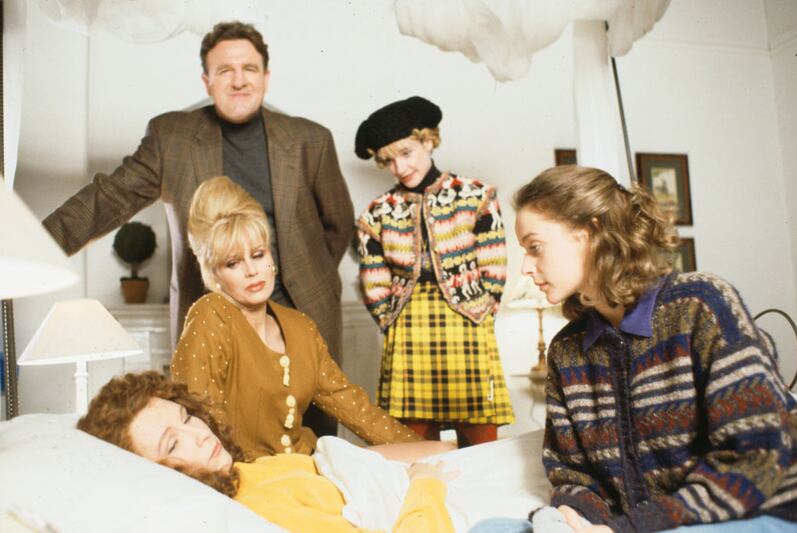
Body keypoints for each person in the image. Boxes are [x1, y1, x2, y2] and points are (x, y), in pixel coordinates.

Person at [472, 165, 797, 532]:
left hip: (756, 511)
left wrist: (625, 528)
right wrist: (573, 517)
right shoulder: (566, 351)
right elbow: (573, 475)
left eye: (535, 247)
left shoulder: (701, 305)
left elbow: (755, 455)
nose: (527, 269)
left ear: (591, 231)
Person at [41, 20, 352, 365]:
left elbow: (337, 225)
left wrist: (304, 273)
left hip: (302, 316)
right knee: (211, 419)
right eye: (224, 71)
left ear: (266, 77)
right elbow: (109, 197)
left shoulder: (311, 140)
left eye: (249, 68)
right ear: (207, 81)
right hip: (213, 321)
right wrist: (36, 246)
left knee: (312, 418)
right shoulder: (172, 137)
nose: (238, 80)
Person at [172, 176, 423, 459]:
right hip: (253, 482)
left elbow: (357, 410)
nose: (253, 271)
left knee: (435, 463)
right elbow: (199, 419)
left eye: (258, 254)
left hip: (311, 467)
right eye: (233, 263)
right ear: (214, 273)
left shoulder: (299, 325)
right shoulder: (211, 315)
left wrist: (422, 450)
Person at [77, 371, 456, 533]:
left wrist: (433, 454)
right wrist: (426, 484)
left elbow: (335, 462)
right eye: (173, 443)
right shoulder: (251, 516)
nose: (198, 433)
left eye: (187, 417)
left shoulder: (245, 474)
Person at [353, 96, 514, 447]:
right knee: (411, 440)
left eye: (406, 152)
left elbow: (494, 262)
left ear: (428, 141)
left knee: (480, 437)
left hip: (467, 320)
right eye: (388, 160)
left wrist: (482, 310)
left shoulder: (475, 196)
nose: (399, 167)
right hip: (407, 325)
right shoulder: (377, 213)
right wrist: (389, 319)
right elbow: (373, 276)